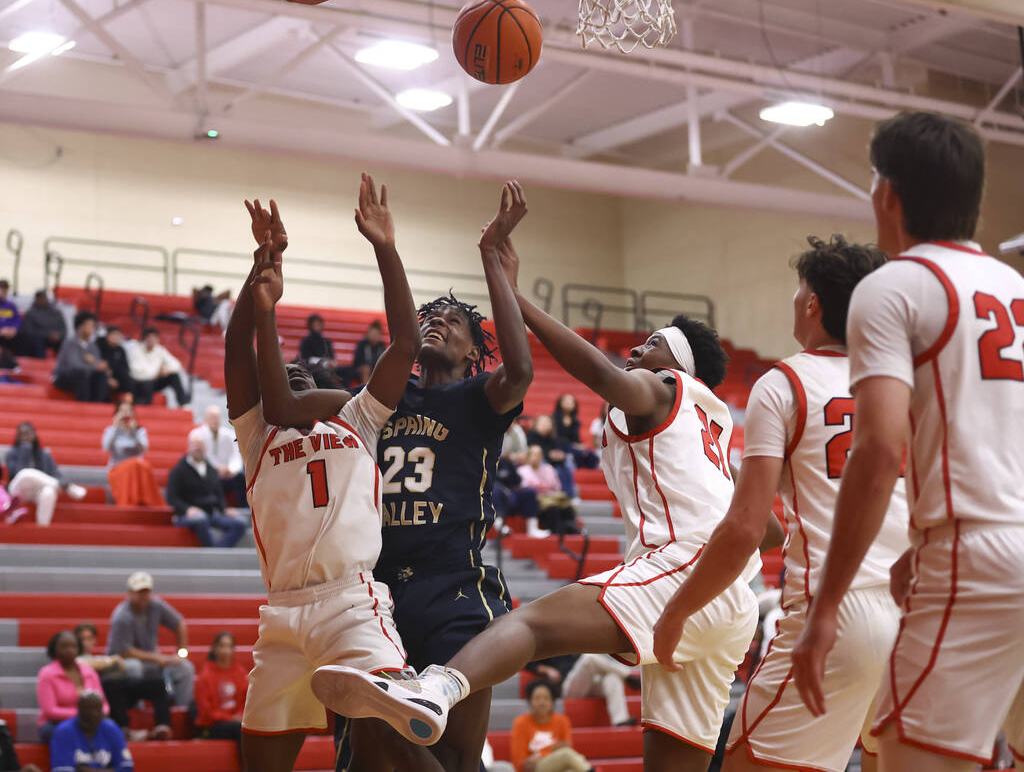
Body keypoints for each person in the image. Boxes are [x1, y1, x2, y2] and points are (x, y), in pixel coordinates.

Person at [317, 237, 784, 771]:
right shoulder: (717, 427)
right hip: (733, 599)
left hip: (682, 568)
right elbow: (769, 529)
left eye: (652, 344)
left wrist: (517, 298)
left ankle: (439, 687)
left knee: (528, 626)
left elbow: (601, 376)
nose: (636, 351)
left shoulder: (662, 387)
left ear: (677, 367)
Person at [790, 112, 1024, 772]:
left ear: (886, 193)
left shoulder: (890, 288)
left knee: (902, 754)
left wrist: (826, 605)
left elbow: (879, 451)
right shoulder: (1015, 287)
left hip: (977, 560)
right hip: (1001, 541)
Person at [651, 236, 908, 772]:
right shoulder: (902, 384)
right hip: (917, 610)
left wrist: (676, 611)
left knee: (746, 761)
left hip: (839, 612)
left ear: (812, 303)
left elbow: (746, 526)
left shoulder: (785, 381)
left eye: (799, 289)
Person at [228, 182, 439, 772]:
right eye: (285, 370)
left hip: (351, 602)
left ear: (320, 383)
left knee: (394, 742)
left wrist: (386, 248)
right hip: (281, 614)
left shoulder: (356, 418)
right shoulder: (257, 434)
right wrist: (260, 271)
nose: (291, 373)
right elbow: (237, 350)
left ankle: (408, 690)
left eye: (303, 371)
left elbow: (405, 342)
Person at [324, 181, 534, 772]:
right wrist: (386, 248)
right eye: (431, 318)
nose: (437, 323)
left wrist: (492, 258)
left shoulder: (478, 398)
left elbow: (519, 369)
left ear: (474, 353)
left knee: (457, 756)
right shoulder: (386, 398)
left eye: (452, 321)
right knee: (367, 752)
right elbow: (400, 336)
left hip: (452, 587)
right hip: (374, 590)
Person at [105, 571, 195, 709]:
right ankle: (135, 710)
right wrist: (158, 658)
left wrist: (181, 652)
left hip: (152, 661)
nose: (143, 595)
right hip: (122, 663)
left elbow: (179, 624)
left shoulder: (156, 606)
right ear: (130, 593)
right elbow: (125, 652)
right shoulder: (121, 616)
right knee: (134, 667)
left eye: (146, 591)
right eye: (139, 592)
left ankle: (182, 711)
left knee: (185, 667)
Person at [74, 623, 171, 742]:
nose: (85, 642)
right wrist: (112, 660)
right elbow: (83, 663)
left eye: (89, 638)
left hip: (118, 695)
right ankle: (124, 729)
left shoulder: (100, 658)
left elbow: (121, 668)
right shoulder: (71, 660)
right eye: (82, 638)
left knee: (156, 683)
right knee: (110, 684)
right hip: (97, 698)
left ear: (95, 640)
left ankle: (163, 726)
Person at [165, 431, 247, 548]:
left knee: (241, 522)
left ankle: (216, 552)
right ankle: (212, 551)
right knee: (201, 519)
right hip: (186, 515)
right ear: (188, 448)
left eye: (201, 445)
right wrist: (187, 509)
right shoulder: (177, 471)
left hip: (212, 513)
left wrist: (224, 509)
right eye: (195, 445)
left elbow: (219, 495)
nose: (198, 448)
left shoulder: (211, 470)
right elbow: (171, 498)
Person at [2, 422, 87, 526]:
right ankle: (68, 488)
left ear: (34, 435)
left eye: (28, 433)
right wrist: (25, 451)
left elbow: (55, 473)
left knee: (49, 492)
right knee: (25, 473)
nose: (26, 437)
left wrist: (60, 480)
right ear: (18, 437)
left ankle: (42, 527)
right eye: (23, 434)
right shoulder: (12, 454)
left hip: (36, 491)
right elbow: (15, 473)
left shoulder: (44, 455)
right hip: (17, 491)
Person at [37, 632, 110, 745]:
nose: (69, 650)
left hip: (91, 720)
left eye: (73, 646)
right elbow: (50, 711)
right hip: (56, 722)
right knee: (62, 732)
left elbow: (103, 703)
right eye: (64, 646)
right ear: (54, 649)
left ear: (79, 648)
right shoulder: (47, 674)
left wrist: (101, 713)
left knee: (111, 727)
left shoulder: (89, 671)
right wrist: (83, 715)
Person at [509, 680, 591, 772]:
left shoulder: (562, 720)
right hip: (534, 768)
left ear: (552, 702)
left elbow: (566, 747)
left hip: (557, 764)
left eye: (546, 698)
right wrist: (552, 750)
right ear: (530, 702)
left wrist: (542, 754)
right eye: (537, 698)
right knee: (566, 755)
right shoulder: (520, 723)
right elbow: (519, 762)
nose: (542, 702)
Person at [49, 691, 133, 772]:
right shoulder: (64, 731)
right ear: (79, 709)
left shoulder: (111, 728)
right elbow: (62, 770)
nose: (94, 714)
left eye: (97, 709)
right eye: (89, 709)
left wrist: (84, 770)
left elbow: (126, 768)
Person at [103, 401, 162, 507]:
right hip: (118, 468)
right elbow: (106, 447)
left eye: (128, 411)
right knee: (136, 465)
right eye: (122, 411)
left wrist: (134, 432)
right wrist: (116, 427)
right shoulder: (111, 430)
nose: (126, 414)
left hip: (137, 470)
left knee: (142, 466)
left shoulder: (139, 431)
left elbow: (143, 449)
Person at [194, 632, 248, 743]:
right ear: (214, 649)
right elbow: (206, 712)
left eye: (229, 646)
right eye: (222, 646)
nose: (225, 651)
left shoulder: (240, 672)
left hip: (237, 721)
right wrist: (230, 718)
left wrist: (239, 715)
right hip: (213, 726)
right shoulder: (205, 676)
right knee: (239, 728)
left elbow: (246, 700)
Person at [563, 655, 638, 728]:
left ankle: (620, 721)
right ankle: (627, 676)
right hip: (570, 686)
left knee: (612, 677)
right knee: (589, 657)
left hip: (593, 682)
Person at [191, 406, 246, 507]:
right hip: (207, 474)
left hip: (228, 473)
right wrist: (215, 469)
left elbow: (236, 456)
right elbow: (197, 458)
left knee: (242, 478)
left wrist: (231, 469)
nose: (215, 420)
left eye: (217, 417)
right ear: (206, 419)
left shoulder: (230, 435)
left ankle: (244, 508)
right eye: (212, 417)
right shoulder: (196, 435)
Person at [518, 445, 576, 535]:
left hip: (552, 496)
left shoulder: (549, 468)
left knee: (568, 508)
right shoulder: (522, 471)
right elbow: (526, 489)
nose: (535, 457)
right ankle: (556, 534)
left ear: (542, 457)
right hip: (536, 499)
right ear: (528, 456)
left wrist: (548, 491)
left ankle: (571, 531)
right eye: (533, 454)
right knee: (552, 509)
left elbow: (557, 486)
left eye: (538, 454)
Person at [53, 311, 110, 403]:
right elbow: (74, 365)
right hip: (64, 376)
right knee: (82, 375)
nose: (92, 329)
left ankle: (98, 405)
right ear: (80, 326)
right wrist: (95, 365)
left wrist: (96, 364)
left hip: (85, 376)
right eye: (90, 325)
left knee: (101, 376)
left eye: (93, 326)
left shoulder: (93, 346)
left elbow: (99, 365)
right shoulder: (70, 343)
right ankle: (82, 406)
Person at [128, 328, 189, 407]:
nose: (152, 340)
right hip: (139, 383)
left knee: (174, 376)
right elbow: (137, 372)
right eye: (149, 337)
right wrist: (157, 373)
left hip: (154, 381)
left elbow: (177, 365)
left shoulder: (160, 350)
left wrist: (166, 370)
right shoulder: (135, 350)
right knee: (147, 384)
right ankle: (144, 410)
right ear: (144, 338)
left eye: (154, 337)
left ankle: (183, 403)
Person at [525, 416, 577, 499]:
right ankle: (560, 495)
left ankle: (569, 496)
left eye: (548, 423)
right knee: (556, 471)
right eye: (543, 423)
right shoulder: (531, 436)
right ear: (536, 424)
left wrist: (560, 456)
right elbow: (534, 453)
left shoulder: (552, 437)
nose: (546, 425)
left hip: (552, 462)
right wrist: (549, 455)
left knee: (566, 468)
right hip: (540, 461)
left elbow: (555, 450)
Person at [552, 395, 597, 469]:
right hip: (560, 445)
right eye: (566, 401)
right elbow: (555, 437)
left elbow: (576, 439)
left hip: (572, 446)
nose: (569, 403)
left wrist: (581, 445)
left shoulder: (575, 421)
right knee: (577, 453)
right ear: (560, 403)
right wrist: (573, 445)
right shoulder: (555, 418)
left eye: (571, 402)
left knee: (589, 454)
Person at [18, 290, 65, 358]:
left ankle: (65, 364)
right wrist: (47, 335)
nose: (41, 299)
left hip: (56, 339)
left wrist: (59, 335)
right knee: (36, 341)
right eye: (39, 298)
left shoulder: (56, 312)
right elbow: (28, 331)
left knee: (68, 342)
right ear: (36, 299)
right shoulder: (31, 313)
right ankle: (41, 363)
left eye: (43, 297)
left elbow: (63, 329)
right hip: (39, 340)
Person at [97, 327, 135, 401]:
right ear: (107, 336)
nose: (115, 337)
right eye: (113, 335)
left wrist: (116, 378)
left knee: (128, 380)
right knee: (101, 379)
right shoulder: (99, 347)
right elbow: (98, 364)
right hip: (102, 376)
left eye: (118, 335)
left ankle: (128, 403)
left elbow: (125, 368)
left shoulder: (120, 350)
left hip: (116, 377)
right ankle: (100, 404)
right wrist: (108, 378)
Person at [351, 320, 386, 385]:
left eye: (377, 334)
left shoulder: (381, 346)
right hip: (361, 369)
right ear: (368, 334)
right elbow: (356, 361)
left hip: (375, 369)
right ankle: (365, 391)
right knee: (366, 369)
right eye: (373, 334)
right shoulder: (362, 344)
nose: (374, 336)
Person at [0, 279, 21, 366]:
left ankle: (19, 365)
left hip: (10, 335)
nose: (3, 291)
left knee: (24, 338)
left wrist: (14, 330)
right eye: (1, 288)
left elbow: (18, 320)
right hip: (1, 334)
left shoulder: (11, 306)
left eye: (5, 289)